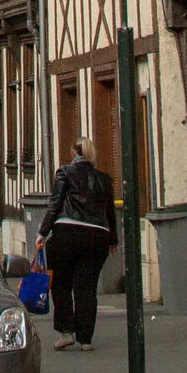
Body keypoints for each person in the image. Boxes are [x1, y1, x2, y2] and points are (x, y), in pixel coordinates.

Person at [36, 139, 116, 351]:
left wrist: (43, 232)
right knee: (87, 289)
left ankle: (66, 332)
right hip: (98, 237)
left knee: (61, 285)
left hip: (68, 234)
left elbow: (55, 204)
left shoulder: (65, 172)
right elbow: (110, 213)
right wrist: (113, 239)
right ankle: (86, 340)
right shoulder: (104, 180)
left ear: (74, 153)